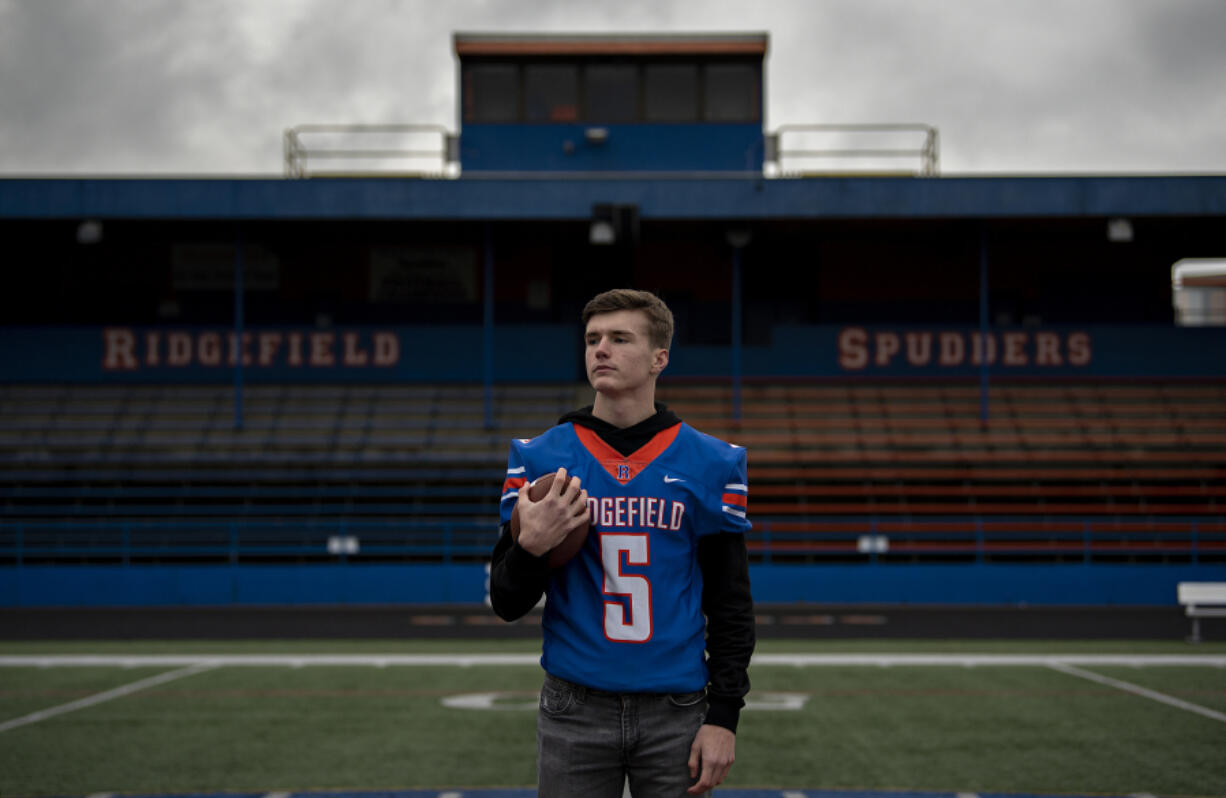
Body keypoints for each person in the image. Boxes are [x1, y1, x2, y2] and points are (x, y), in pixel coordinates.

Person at [489, 288, 755, 797]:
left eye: (618, 338)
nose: (600, 350)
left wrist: (724, 716)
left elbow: (731, 604)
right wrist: (531, 548)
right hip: (574, 707)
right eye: (592, 339)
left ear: (660, 358)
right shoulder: (542, 460)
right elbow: (506, 602)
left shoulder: (711, 463)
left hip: (676, 708)